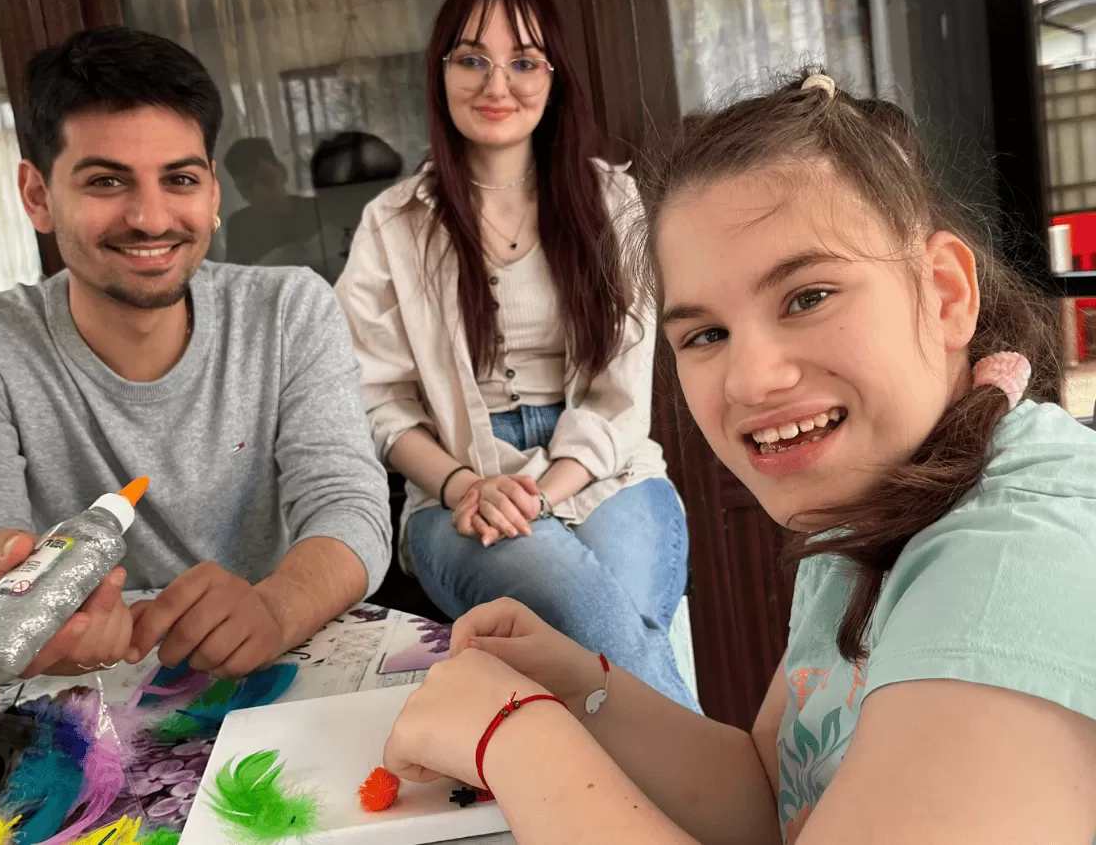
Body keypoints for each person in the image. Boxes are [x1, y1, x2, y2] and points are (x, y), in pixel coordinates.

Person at [380, 74, 1096, 844]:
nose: (752, 379)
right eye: (706, 335)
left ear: (948, 294)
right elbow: (766, 792)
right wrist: (579, 681)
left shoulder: (1019, 559)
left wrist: (511, 736)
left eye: (808, 296)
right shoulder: (880, 499)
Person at [0, 27, 392, 680]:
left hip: (266, 671)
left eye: (180, 178)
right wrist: (2, 608)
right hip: (59, 694)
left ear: (213, 192)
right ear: (37, 196)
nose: (152, 218)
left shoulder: (289, 310)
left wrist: (274, 608)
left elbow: (350, 508)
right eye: (107, 181)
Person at [334, 0, 695, 709]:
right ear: (441, 76)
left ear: (553, 77)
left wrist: (540, 491)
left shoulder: (611, 200)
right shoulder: (393, 223)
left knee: (610, 625)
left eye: (524, 61)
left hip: (604, 469)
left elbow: (624, 395)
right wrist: (468, 484)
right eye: (471, 59)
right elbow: (379, 403)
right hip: (457, 491)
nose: (497, 82)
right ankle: (726, 807)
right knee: (596, 617)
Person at [221, 137, 322, 270]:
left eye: (265, 178)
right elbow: (234, 280)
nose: (260, 191)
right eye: (248, 186)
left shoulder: (315, 209)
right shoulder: (240, 226)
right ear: (241, 192)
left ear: (283, 172)